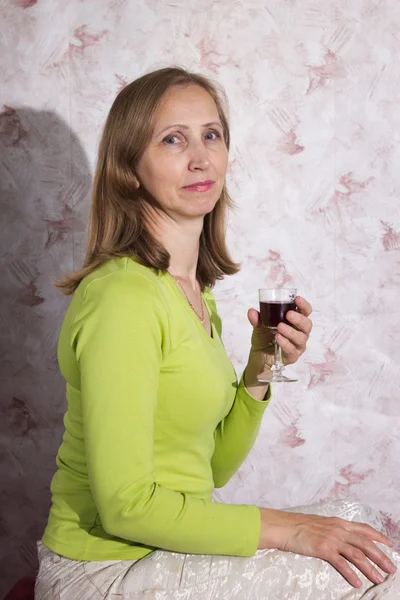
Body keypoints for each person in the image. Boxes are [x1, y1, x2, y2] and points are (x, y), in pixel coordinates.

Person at [35, 67, 399, 600]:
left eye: (211, 135)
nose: (200, 157)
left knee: (360, 525)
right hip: (102, 572)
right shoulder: (123, 299)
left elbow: (211, 468)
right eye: (172, 140)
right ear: (129, 169)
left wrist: (261, 368)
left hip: (161, 550)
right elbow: (126, 504)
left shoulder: (192, 292)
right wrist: (291, 530)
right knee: (375, 575)